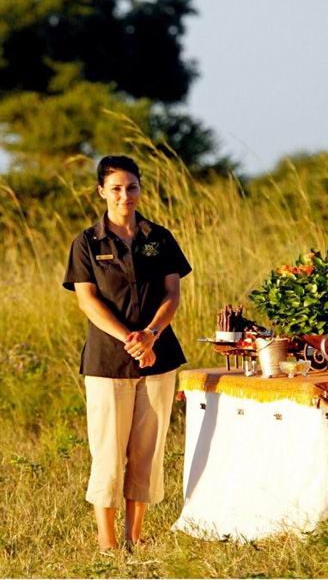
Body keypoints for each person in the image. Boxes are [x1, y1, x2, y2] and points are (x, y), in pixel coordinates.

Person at [63, 155, 191, 550]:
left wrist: (151, 335)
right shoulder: (87, 242)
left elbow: (172, 295)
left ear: (140, 189)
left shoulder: (161, 238)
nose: (125, 195)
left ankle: (135, 537)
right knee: (107, 450)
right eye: (116, 188)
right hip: (108, 361)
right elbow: (87, 301)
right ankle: (108, 544)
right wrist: (130, 339)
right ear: (102, 191)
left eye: (131, 187)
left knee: (147, 451)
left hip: (159, 357)